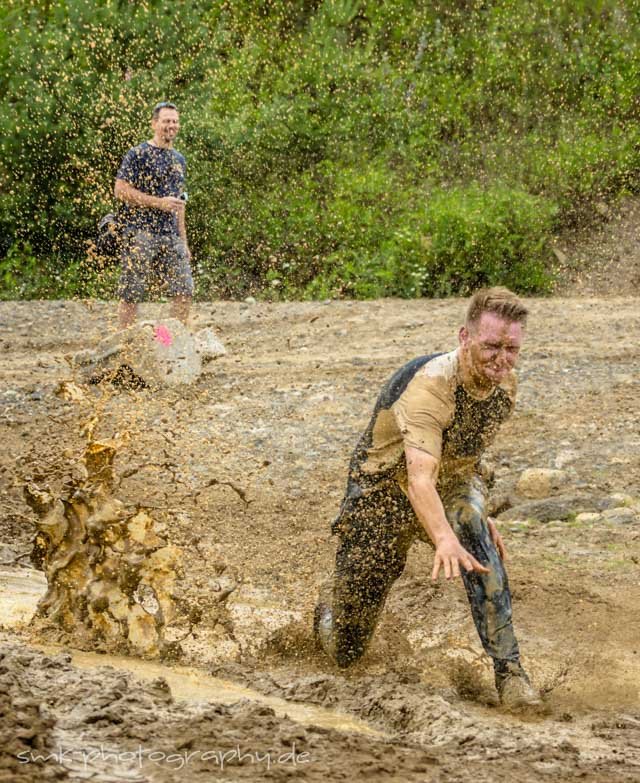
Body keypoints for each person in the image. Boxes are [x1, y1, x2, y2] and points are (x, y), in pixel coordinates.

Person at [314, 287, 541, 709]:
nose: (501, 359)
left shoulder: (506, 385)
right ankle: (328, 614)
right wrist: (442, 537)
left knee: (476, 536)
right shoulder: (430, 386)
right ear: (464, 338)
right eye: (491, 346)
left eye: (511, 348)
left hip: (446, 483)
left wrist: (477, 515)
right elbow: (419, 479)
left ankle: (511, 674)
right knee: (346, 648)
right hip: (380, 495)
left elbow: (467, 457)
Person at [114, 101, 193, 329]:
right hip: (140, 232)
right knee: (131, 293)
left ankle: (170, 343)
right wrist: (159, 203)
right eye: (167, 121)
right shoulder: (138, 154)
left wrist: (184, 241)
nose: (172, 125)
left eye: (175, 121)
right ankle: (125, 346)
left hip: (171, 235)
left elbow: (180, 203)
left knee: (184, 290)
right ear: (154, 124)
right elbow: (120, 190)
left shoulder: (179, 159)